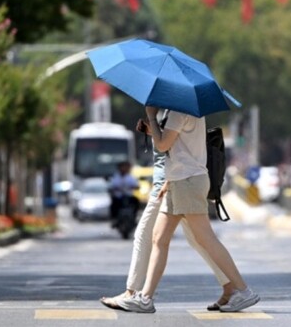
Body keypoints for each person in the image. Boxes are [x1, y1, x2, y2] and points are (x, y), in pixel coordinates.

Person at [113, 107, 259, 313]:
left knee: (205, 239)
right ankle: (145, 298)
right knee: (159, 238)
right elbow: (177, 145)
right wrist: (153, 129)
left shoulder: (179, 112)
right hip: (177, 181)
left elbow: (163, 145)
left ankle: (243, 291)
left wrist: (152, 118)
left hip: (187, 181)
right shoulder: (190, 109)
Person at [108, 161, 139, 226]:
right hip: (119, 197)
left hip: (128, 196)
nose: (124, 169)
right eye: (122, 167)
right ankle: (114, 219)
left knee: (136, 202)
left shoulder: (130, 177)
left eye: (126, 167)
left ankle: (134, 217)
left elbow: (136, 185)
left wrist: (133, 187)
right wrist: (115, 189)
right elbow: (111, 186)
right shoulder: (115, 177)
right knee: (113, 205)